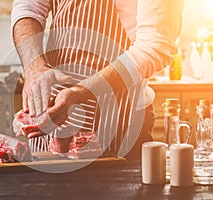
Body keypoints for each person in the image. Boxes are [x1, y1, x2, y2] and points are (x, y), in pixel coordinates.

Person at [11, 0, 184, 159]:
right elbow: (28, 8)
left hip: (122, 118)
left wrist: (81, 92)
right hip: (51, 116)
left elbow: (154, 46)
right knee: (43, 190)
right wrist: (34, 67)